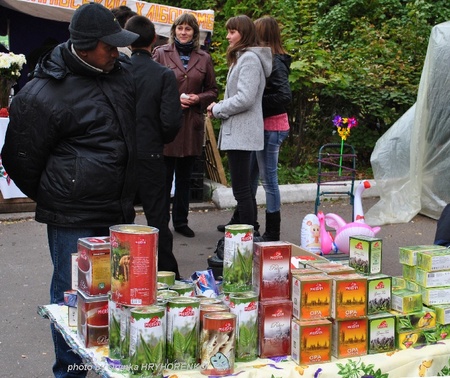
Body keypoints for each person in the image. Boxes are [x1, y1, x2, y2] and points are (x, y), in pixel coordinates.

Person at [1, 3, 138, 377]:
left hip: (119, 209)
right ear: (84, 45)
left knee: (120, 296)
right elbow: (20, 159)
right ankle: (71, 371)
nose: (116, 51)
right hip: (72, 217)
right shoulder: (43, 93)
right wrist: (62, 191)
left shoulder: (120, 73)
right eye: (109, 45)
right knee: (72, 298)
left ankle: (112, 365)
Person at [216, 16, 292, 241]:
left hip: (269, 127)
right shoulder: (251, 58)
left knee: (266, 181)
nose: (228, 36)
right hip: (257, 127)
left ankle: (268, 231)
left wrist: (255, 104)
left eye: (233, 32)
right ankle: (244, 224)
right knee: (246, 183)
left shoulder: (260, 60)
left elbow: (272, 97)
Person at [124, 15, 183, 278]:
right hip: (151, 152)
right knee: (158, 219)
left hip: (120, 155)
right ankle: (165, 276)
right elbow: (171, 121)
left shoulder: (117, 72)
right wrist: (159, 139)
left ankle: (124, 274)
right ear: (153, 41)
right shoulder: (163, 75)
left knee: (121, 219)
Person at [153, 13, 218, 238]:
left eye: (188, 29)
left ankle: (181, 221)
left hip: (191, 125)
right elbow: (151, 89)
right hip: (167, 126)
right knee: (162, 179)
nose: (183, 32)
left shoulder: (204, 58)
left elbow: (213, 90)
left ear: (194, 32)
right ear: (174, 31)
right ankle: (160, 223)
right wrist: (173, 100)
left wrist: (198, 99)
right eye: (180, 28)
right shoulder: (160, 54)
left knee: (184, 178)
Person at [207, 15, 272, 231]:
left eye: (232, 32)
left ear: (243, 33)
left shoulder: (250, 59)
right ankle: (246, 230)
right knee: (243, 189)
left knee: (242, 190)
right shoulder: (244, 57)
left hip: (242, 134)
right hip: (240, 133)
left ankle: (247, 235)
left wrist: (218, 108)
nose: (227, 36)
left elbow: (245, 98)